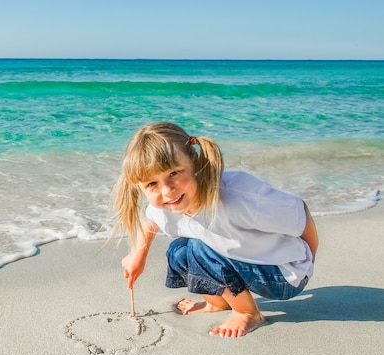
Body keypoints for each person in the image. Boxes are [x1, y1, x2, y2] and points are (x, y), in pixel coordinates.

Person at [111, 122, 318, 338]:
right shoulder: (166, 205)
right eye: (152, 183)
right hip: (243, 262)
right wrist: (139, 254)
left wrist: (307, 261)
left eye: (174, 173)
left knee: (200, 249)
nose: (167, 190)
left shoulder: (237, 197)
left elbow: (300, 213)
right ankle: (219, 303)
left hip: (282, 274)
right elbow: (150, 220)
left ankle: (247, 313)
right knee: (179, 251)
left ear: (194, 160)